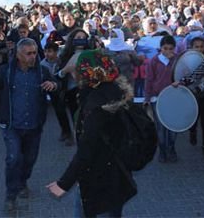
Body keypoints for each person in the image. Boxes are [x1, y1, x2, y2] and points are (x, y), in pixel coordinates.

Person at [47, 50, 137, 217]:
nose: (74, 75)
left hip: (101, 176)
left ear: (90, 71)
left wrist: (63, 184)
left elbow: (87, 150)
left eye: (77, 71)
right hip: (115, 171)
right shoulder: (114, 89)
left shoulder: (97, 104)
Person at [0, 38, 58, 214]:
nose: (33, 57)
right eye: (28, 53)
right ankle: (11, 195)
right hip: (11, 125)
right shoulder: (5, 72)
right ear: (18, 55)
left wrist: (53, 85)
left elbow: (56, 84)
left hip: (34, 126)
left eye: (35, 53)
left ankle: (22, 182)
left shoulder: (42, 71)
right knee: (14, 158)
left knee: (29, 159)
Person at [143, 35, 177, 162]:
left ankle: (171, 147)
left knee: (173, 125)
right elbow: (149, 80)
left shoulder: (177, 59)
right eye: (165, 48)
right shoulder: (154, 61)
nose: (168, 51)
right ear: (161, 48)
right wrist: (147, 97)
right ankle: (162, 150)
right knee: (161, 126)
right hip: (157, 98)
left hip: (173, 97)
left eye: (170, 48)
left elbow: (182, 75)